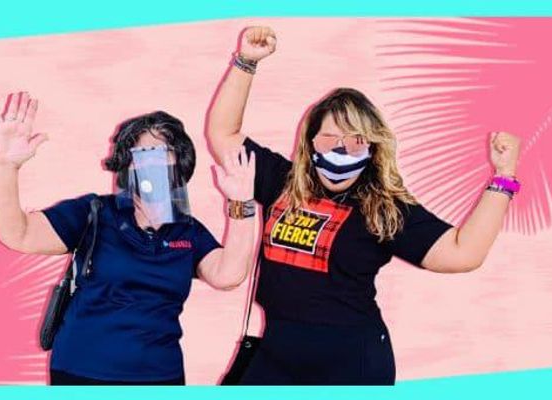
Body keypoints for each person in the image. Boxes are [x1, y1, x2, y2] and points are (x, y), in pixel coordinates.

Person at [205, 27, 523, 385]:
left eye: (355, 140)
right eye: (330, 137)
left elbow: (463, 252)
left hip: (351, 360)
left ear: (372, 148)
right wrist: (246, 61)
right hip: (277, 352)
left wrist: (504, 176)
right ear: (310, 142)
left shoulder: (383, 207)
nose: (341, 148)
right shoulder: (282, 181)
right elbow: (223, 134)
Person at [0, 91, 258, 385]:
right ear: (126, 165)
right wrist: (5, 166)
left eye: (162, 152)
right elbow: (19, 233)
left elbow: (228, 275)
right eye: (141, 155)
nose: (151, 164)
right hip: (81, 372)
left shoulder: (188, 231)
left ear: (179, 163)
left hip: (160, 378)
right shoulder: (96, 213)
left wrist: (241, 205)